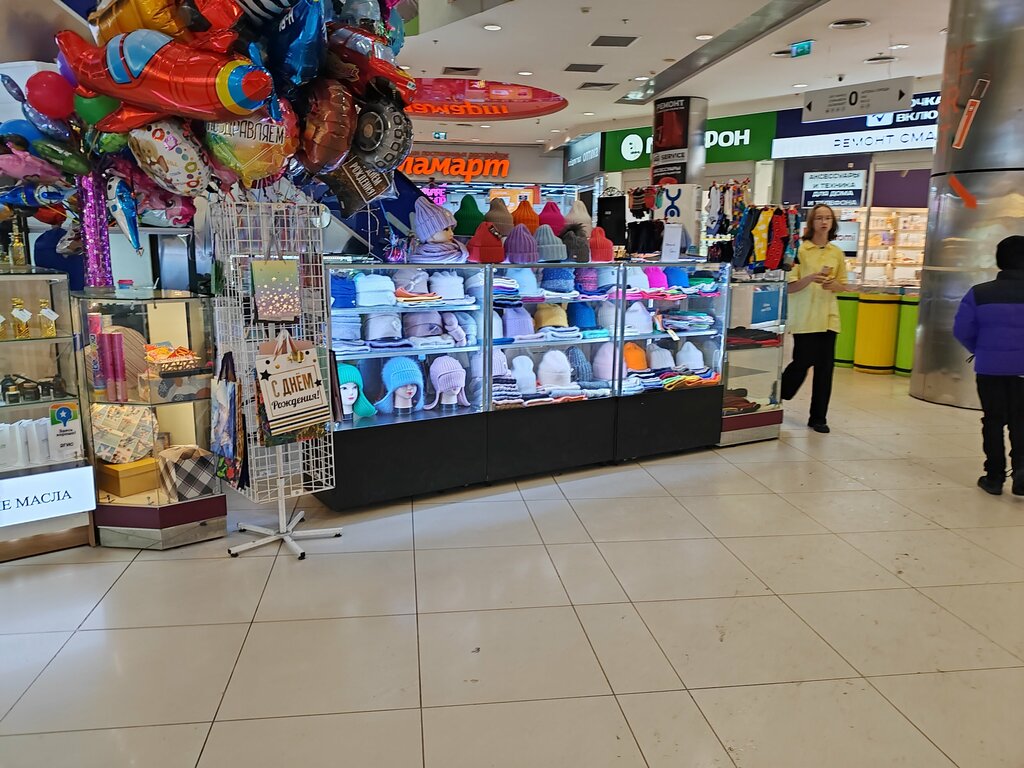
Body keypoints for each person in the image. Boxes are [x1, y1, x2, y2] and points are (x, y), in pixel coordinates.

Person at [953, 235, 1024, 495]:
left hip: (989, 367)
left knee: (992, 420)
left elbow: (962, 329)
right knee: (1021, 419)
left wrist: (980, 349)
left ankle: (994, 477)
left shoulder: (979, 293)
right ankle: (1021, 471)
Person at [781, 203, 851, 433]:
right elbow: (789, 286)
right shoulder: (800, 251)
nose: (824, 222)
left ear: (833, 223)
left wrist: (834, 284)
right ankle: (780, 392)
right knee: (801, 362)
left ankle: (818, 418)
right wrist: (810, 278)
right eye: (819, 218)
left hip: (829, 318)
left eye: (828, 218)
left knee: (825, 370)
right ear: (811, 222)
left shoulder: (836, 252)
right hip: (805, 318)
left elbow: (843, 285)